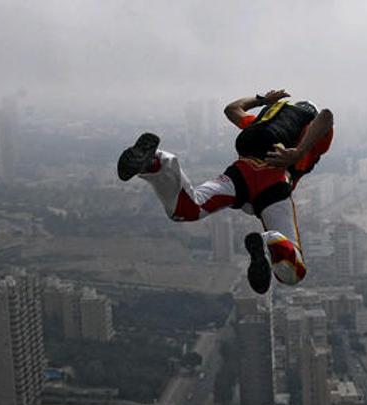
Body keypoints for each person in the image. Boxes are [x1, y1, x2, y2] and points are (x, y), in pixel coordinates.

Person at [117, 89, 334, 294]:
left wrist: (262, 100)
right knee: (293, 272)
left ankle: (156, 162)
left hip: (243, 173)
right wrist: (298, 152)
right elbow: (326, 116)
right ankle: (272, 239)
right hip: (274, 183)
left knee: (185, 209)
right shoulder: (311, 133)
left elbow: (231, 109)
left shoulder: (267, 123)